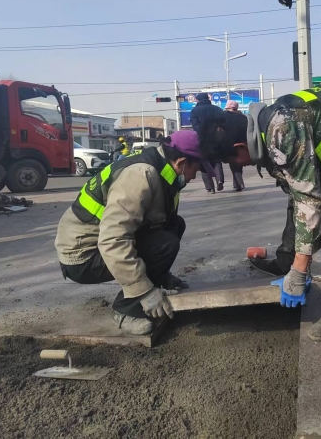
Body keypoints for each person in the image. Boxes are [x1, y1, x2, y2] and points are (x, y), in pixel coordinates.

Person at [193, 85, 321, 341]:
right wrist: (293, 262)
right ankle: (285, 260)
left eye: (232, 161)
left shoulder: (281, 130)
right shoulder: (262, 131)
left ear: (239, 145)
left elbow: (309, 201)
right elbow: (300, 191)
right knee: (298, 195)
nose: (238, 165)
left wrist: (300, 271)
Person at [55, 130, 212, 335]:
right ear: (181, 163)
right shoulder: (141, 176)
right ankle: (126, 309)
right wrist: (144, 290)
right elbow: (113, 240)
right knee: (165, 243)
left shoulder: (165, 174)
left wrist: (162, 275)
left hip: (101, 245)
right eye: (196, 170)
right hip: (82, 256)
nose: (193, 177)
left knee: (175, 226)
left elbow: (161, 224)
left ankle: (151, 283)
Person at [190, 93, 225, 193]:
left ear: (198, 100)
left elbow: (195, 125)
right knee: (217, 161)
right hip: (216, 138)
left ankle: (210, 187)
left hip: (202, 139)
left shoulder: (194, 111)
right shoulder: (217, 109)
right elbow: (223, 123)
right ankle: (220, 180)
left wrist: (203, 132)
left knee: (204, 162)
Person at [225, 101, 245, 192]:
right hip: (242, 143)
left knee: (233, 164)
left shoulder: (225, 117)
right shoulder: (243, 117)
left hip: (229, 143)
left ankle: (239, 183)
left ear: (230, 108)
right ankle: (237, 184)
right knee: (239, 163)